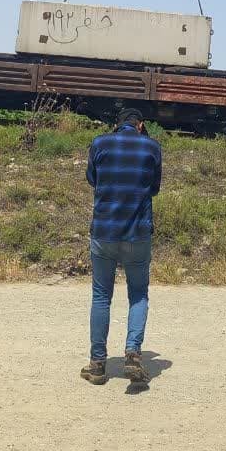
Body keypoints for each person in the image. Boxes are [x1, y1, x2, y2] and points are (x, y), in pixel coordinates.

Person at [82, 106, 162, 385]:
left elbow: (92, 180)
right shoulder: (152, 147)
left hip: (104, 232)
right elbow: (154, 188)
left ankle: (97, 365)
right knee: (138, 294)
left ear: (117, 125)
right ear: (140, 125)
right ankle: (133, 355)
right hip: (137, 233)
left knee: (101, 296)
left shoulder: (99, 143)